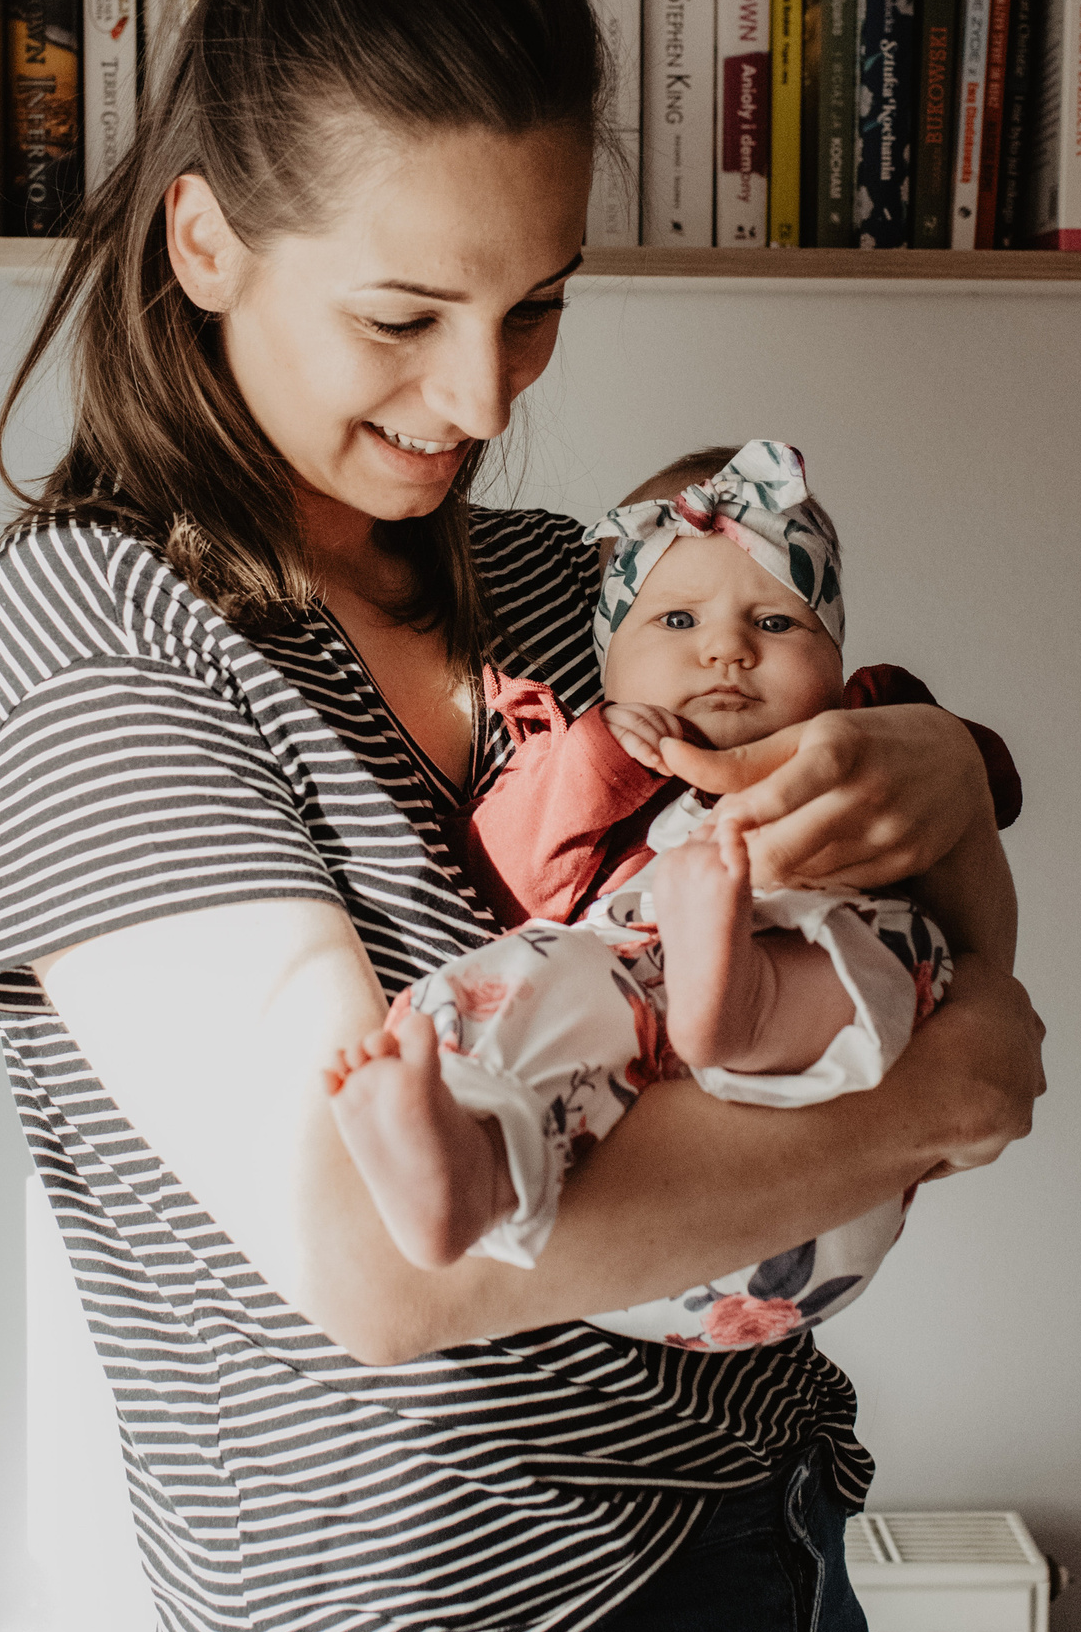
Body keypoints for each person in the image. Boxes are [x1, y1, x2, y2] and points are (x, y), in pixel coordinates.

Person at [0, 0, 1045, 1632]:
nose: (482, 395)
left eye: (536, 304)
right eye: (404, 315)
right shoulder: (92, 644)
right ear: (204, 239)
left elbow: (906, 916)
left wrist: (947, 773)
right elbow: (382, 1260)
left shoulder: (560, 585)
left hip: (773, 1577)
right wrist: (918, 1117)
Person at [323, 438, 958, 1358]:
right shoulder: (583, 762)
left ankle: (745, 1001)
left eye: (775, 622)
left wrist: (935, 743)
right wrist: (602, 753)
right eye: (677, 620)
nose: (727, 649)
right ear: (608, 659)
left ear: (836, 661)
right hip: (635, 1231)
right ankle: (473, 1166)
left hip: (820, 1198)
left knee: (887, 944)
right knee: (545, 969)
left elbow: (972, 786)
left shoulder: (863, 727)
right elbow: (511, 880)